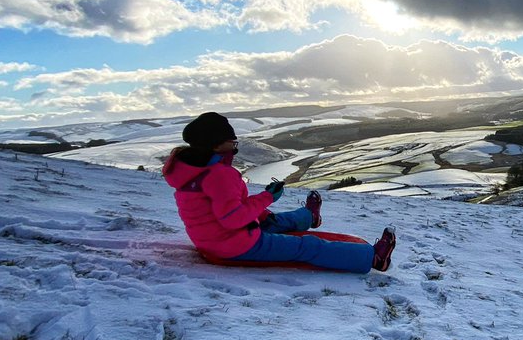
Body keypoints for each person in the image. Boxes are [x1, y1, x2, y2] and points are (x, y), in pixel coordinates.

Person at [162, 112, 395, 272]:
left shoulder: (192, 170)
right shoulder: (218, 174)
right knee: (307, 246)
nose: (236, 146)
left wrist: (261, 208)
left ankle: (308, 217)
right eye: (232, 142)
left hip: (213, 240)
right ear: (215, 144)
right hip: (233, 245)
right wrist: (267, 197)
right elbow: (233, 218)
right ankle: (373, 259)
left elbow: (226, 208)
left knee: (272, 219)